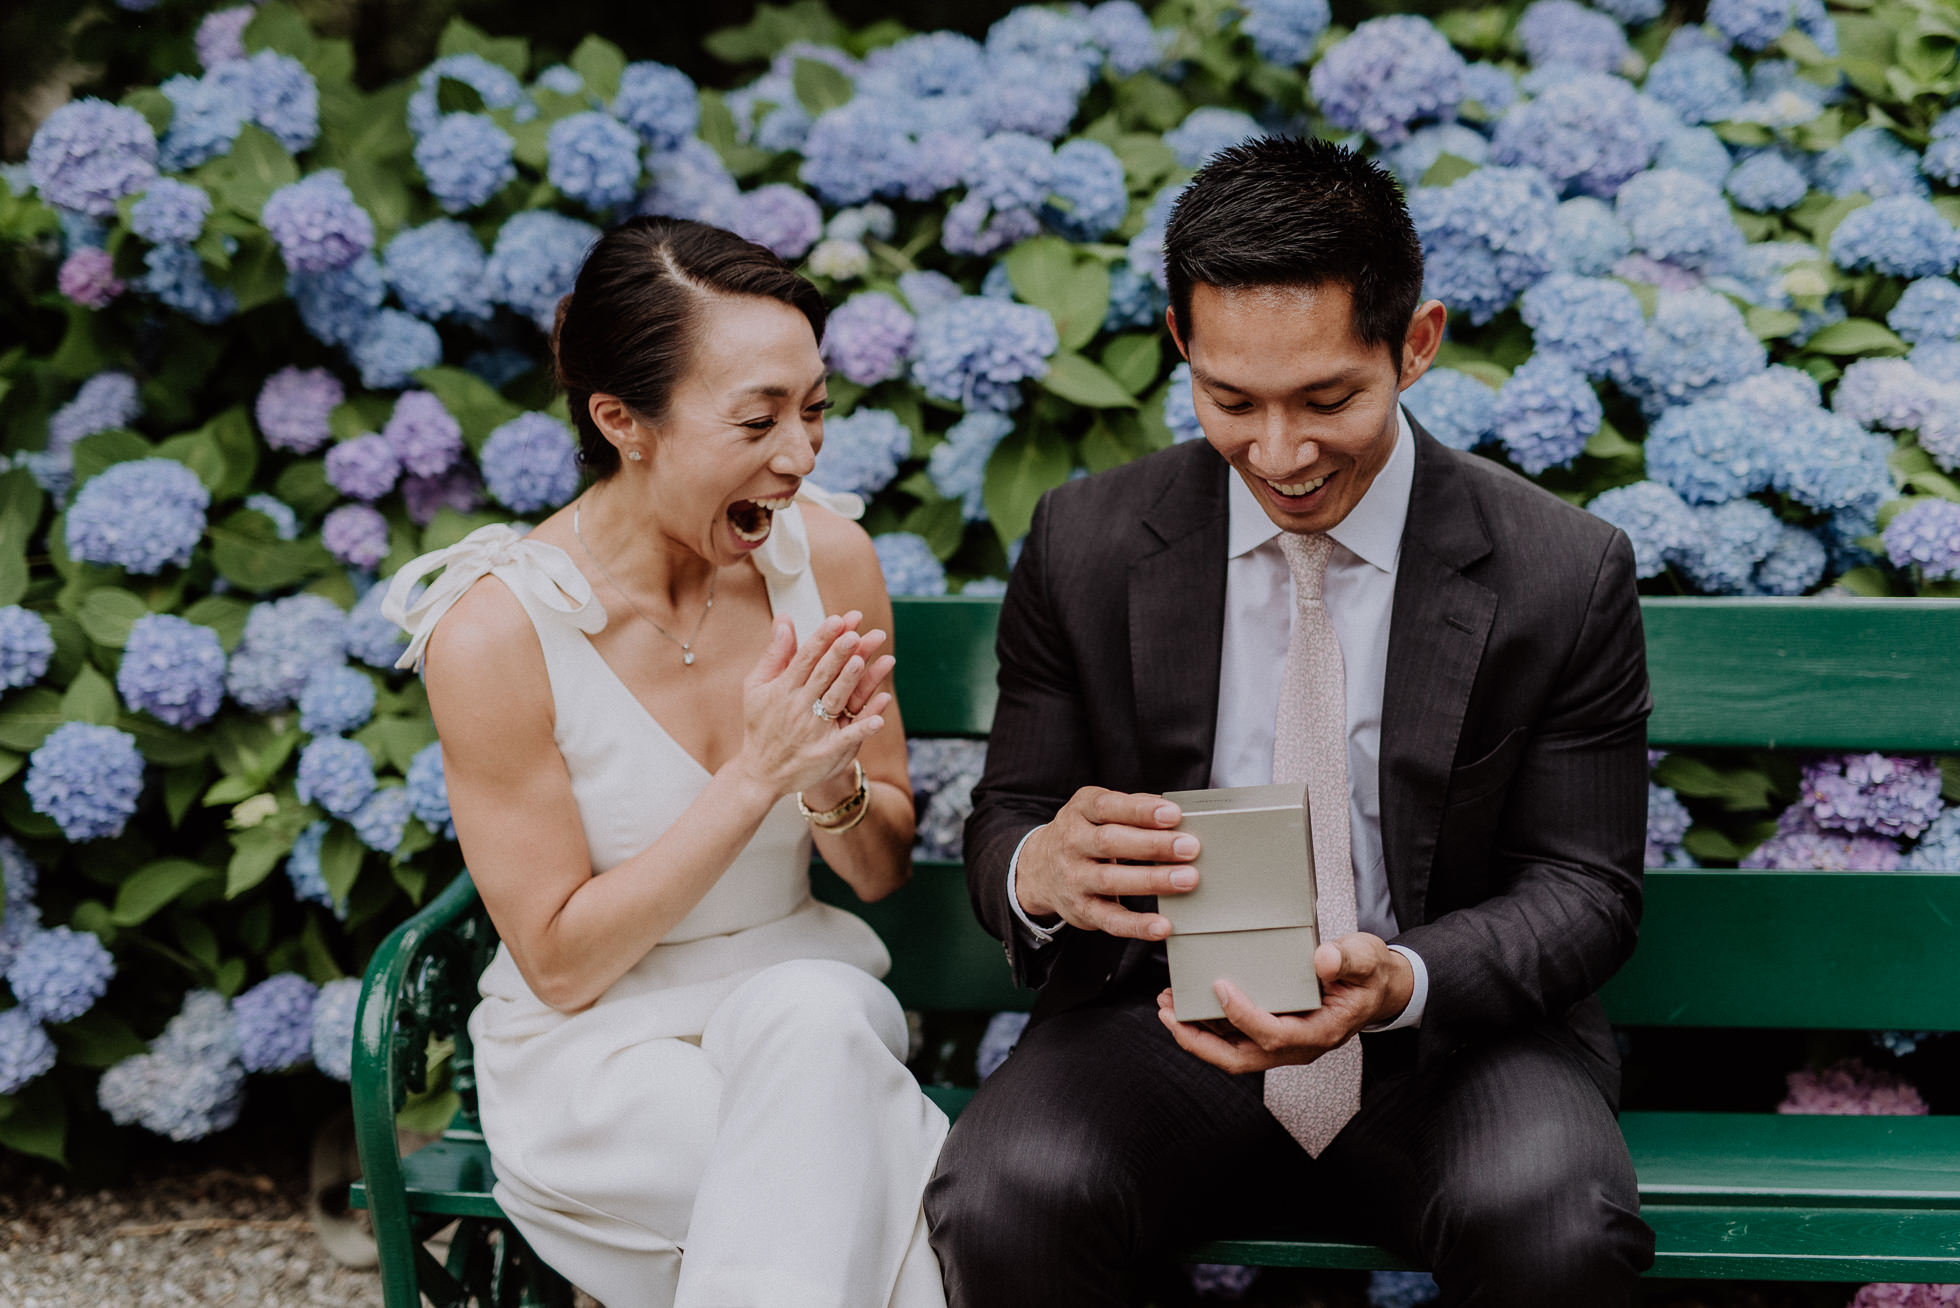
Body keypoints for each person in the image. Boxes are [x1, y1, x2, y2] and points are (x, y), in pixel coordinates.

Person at [925, 136, 1657, 1306]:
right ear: (1181, 344)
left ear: (1415, 344)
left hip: (1453, 1042)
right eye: (1230, 401)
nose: (1279, 454)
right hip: (1159, 1029)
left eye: (1327, 399)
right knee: (1004, 1198)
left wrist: (1401, 979)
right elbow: (1012, 814)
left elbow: (1585, 890)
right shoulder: (1085, 542)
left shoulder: (1559, 571)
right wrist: (1038, 869)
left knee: (1555, 1227)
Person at [382, 216, 948, 1308]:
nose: (801, 454)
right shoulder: (497, 632)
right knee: (849, 1178)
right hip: (597, 1059)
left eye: (815, 409)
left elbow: (876, 875)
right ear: (619, 420)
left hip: (807, 994)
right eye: (757, 419)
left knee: (817, 1025)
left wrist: (829, 779)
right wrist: (753, 778)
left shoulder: (828, 560)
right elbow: (558, 964)